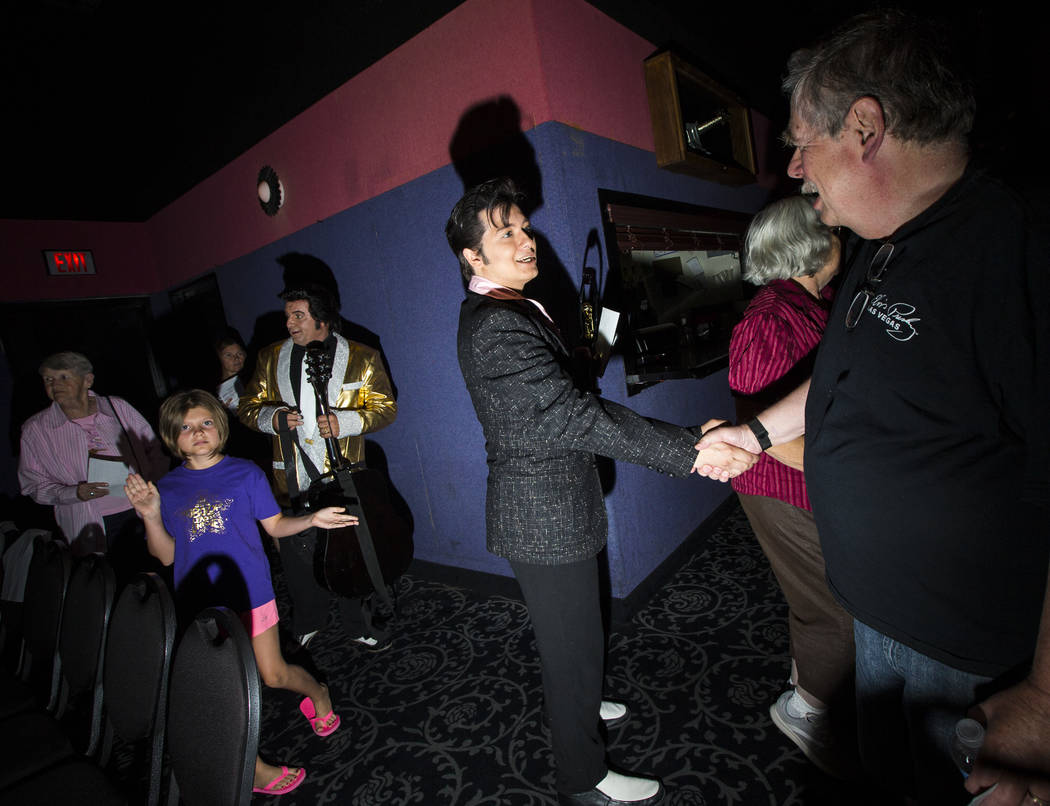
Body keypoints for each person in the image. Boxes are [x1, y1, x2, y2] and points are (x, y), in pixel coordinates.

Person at [696, 10, 1050, 805]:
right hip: (878, 615)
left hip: (963, 647)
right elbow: (844, 381)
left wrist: (1047, 702)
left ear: (864, 126)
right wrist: (754, 432)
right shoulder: (881, 244)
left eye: (799, 140)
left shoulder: (1017, 242)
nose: (792, 167)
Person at [447, 178, 756, 806]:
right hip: (541, 514)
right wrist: (687, 451)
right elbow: (572, 417)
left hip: (555, 503)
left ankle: (584, 701)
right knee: (569, 648)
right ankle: (582, 780)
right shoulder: (496, 326)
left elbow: (558, 399)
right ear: (471, 258)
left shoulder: (509, 309)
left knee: (581, 633)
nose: (525, 239)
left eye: (524, 227)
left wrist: (590, 350)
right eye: (504, 233)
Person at [125, 389, 354, 797]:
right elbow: (166, 555)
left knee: (273, 674)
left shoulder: (246, 473)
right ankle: (254, 771)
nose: (198, 433)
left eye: (206, 423)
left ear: (220, 426)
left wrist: (311, 519)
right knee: (222, 687)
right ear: (171, 437)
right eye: (186, 428)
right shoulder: (168, 487)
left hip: (251, 593)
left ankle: (317, 690)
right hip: (200, 602)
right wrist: (150, 516)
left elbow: (275, 527)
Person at [725, 195, 854, 777]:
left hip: (811, 482)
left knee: (822, 597)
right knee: (835, 609)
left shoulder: (814, 303)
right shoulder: (771, 315)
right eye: (833, 229)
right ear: (813, 242)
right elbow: (757, 421)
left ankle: (810, 685)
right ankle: (804, 709)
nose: (842, 237)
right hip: (780, 486)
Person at [238, 285, 398, 649]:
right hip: (291, 475)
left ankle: (357, 624)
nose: (290, 323)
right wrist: (274, 417)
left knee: (348, 552)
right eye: (288, 316)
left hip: (344, 475)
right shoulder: (269, 357)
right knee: (296, 555)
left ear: (322, 319)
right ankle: (309, 618)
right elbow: (246, 407)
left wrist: (348, 423)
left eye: (298, 316)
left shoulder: (362, 355)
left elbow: (386, 408)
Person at [18, 351, 168, 583]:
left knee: (152, 582)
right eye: (48, 380)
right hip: (88, 524)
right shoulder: (36, 429)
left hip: (141, 514)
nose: (55, 385)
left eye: (63, 377)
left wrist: (154, 485)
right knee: (106, 588)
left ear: (88, 380)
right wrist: (74, 492)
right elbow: (32, 484)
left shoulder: (117, 407)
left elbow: (154, 450)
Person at [215, 329, 248, 412]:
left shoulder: (255, 380)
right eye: (229, 355)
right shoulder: (214, 393)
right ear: (219, 358)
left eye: (239, 354)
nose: (236, 358)